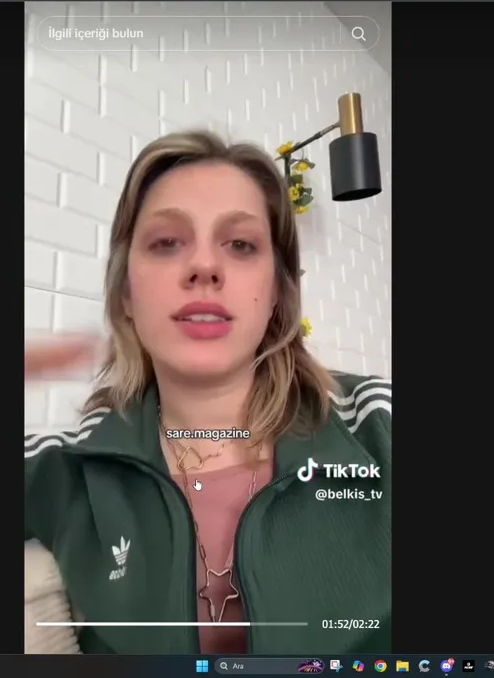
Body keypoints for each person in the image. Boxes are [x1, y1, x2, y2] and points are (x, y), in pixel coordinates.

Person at [23, 131, 392, 655]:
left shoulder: (378, 427)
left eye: (241, 245)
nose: (204, 266)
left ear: (278, 293)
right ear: (125, 292)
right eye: (166, 242)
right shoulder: (69, 470)